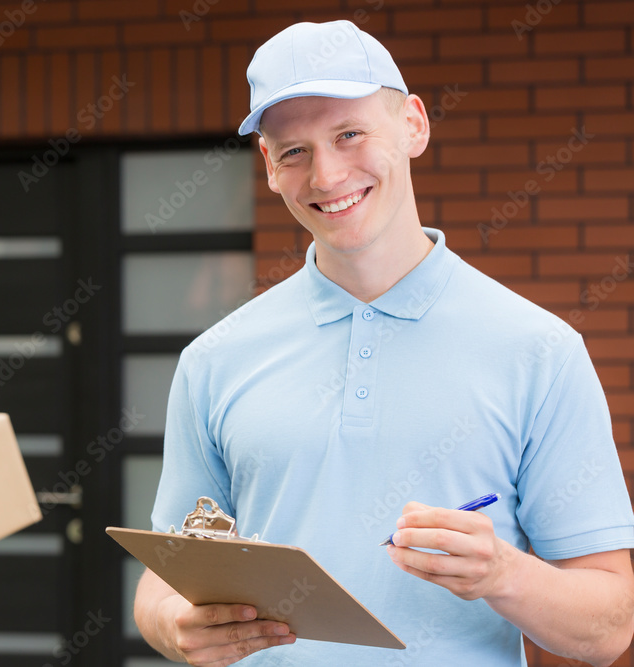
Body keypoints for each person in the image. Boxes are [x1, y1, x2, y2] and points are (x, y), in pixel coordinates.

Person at [133, 20, 634, 667]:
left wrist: (504, 574)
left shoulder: (540, 350)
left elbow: (610, 625)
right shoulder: (214, 359)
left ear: (414, 126)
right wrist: (173, 622)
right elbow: (163, 575)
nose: (327, 174)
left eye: (349, 134)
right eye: (294, 151)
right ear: (270, 167)